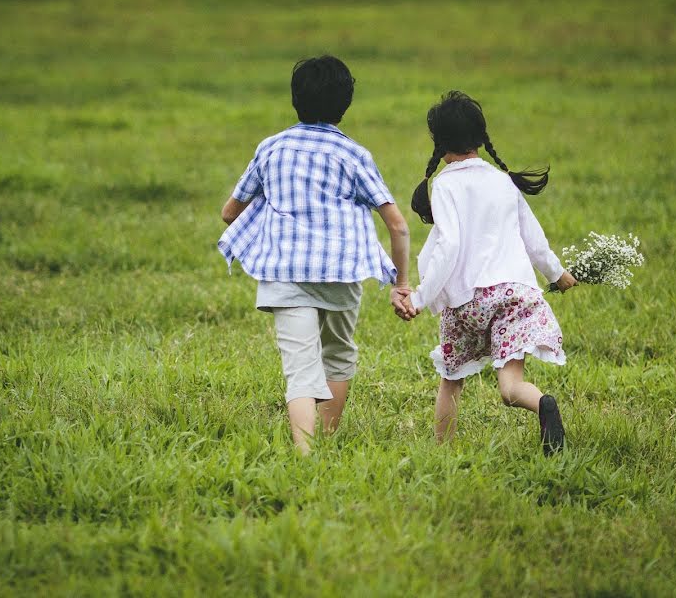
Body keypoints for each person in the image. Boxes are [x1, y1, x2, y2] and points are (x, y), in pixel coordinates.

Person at [218, 55, 412, 455]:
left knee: (300, 367)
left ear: (295, 100)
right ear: (345, 104)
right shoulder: (354, 155)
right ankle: (327, 440)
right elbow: (397, 224)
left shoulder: (271, 148)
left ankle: (305, 455)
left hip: (283, 274)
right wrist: (401, 283)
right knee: (338, 355)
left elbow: (228, 212)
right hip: (341, 272)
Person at [399, 90, 576, 456]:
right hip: (515, 295)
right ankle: (541, 403)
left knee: (451, 380)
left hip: (469, 301)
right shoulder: (503, 181)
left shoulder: (446, 184)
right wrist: (558, 275)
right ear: (480, 138)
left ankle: (443, 452)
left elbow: (447, 247)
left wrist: (420, 298)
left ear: (440, 144)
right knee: (511, 388)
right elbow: (535, 240)